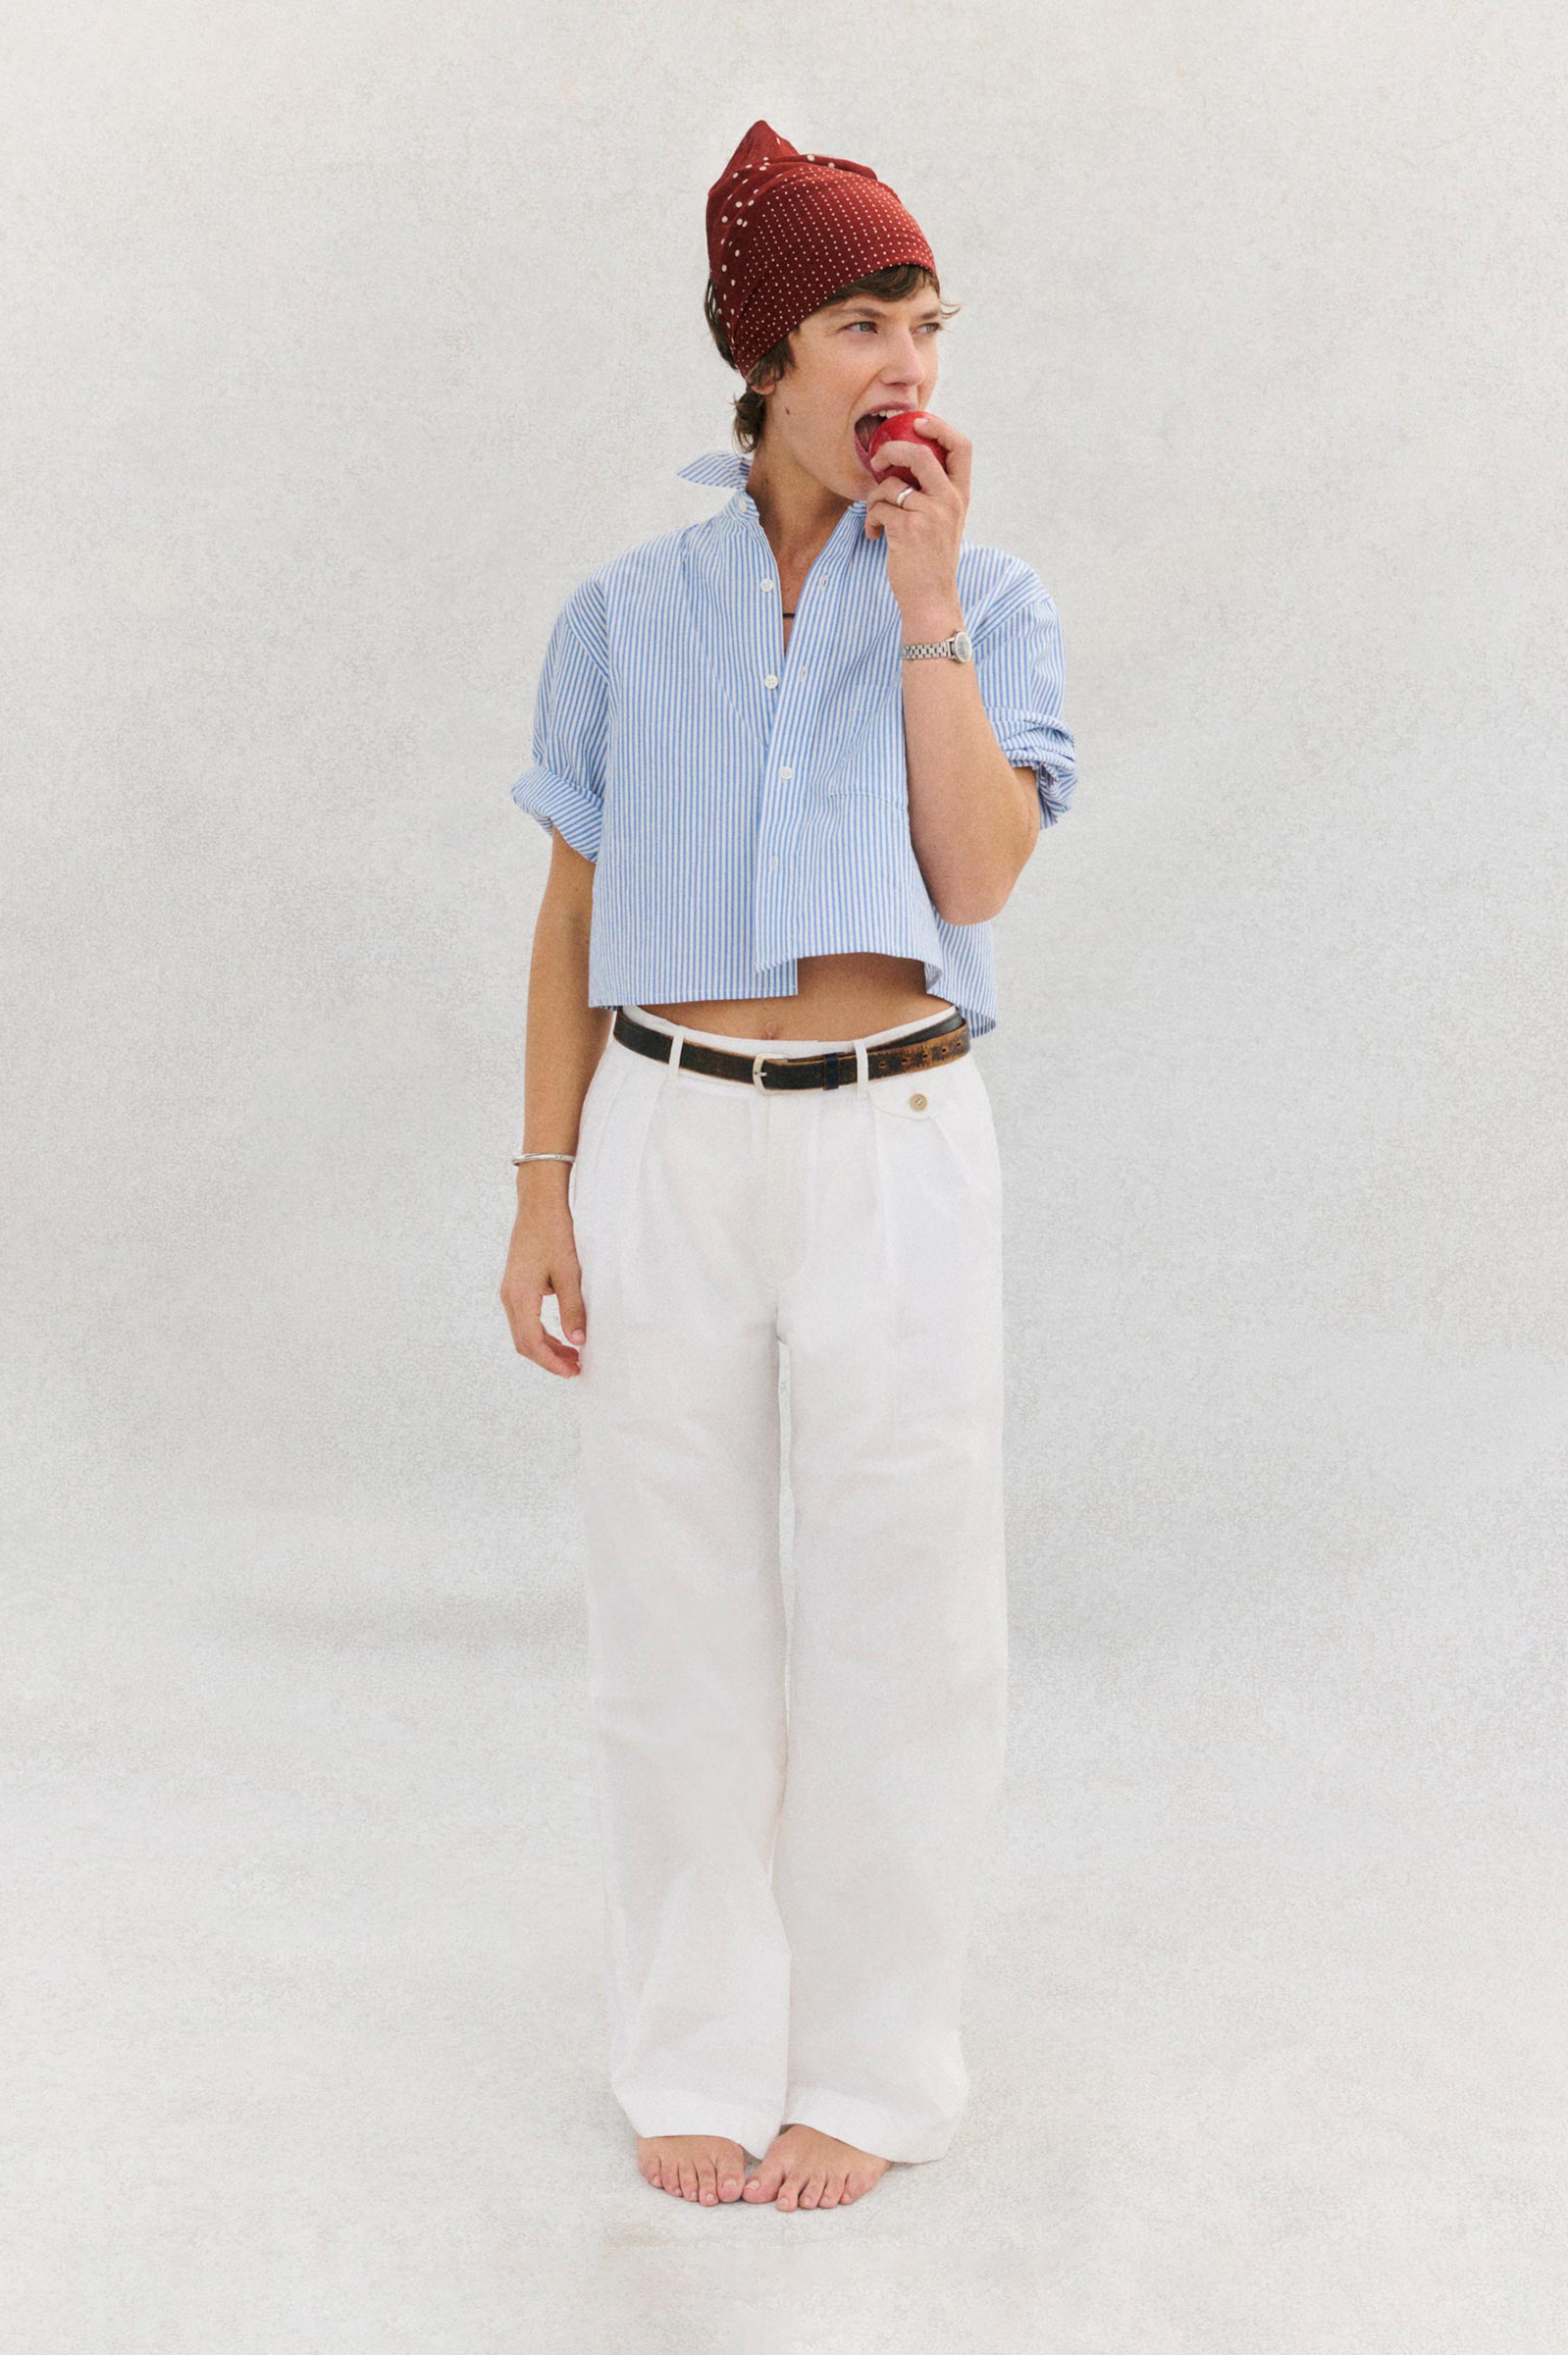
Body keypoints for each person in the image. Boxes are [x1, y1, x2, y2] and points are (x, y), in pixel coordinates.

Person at [500, 120, 1078, 2214]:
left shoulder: (989, 600)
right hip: (666, 1135)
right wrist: (543, 1183)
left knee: (908, 1608)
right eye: (859, 319)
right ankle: (691, 2045)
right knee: (672, 1612)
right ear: (765, 355)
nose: (906, 358)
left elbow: (977, 873)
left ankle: (875, 2064)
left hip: (899, 1139)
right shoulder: (623, 616)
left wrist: (921, 607)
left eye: (924, 317)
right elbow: (572, 915)